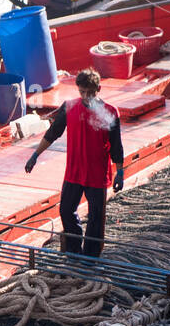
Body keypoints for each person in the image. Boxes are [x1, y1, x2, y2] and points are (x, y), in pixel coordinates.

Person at [23, 67, 125, 257]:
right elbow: (53, 133)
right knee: (66, 210)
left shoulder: (110, 112)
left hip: (97, 174)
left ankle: (91, 256)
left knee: (96, 217)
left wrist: (120, 171)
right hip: (74, 172)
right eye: (82, 92)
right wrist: (35, 155)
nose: (86, 96)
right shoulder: (69, 107)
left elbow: (116, 146)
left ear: (98, 90)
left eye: (89, 92)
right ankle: (73, 248)